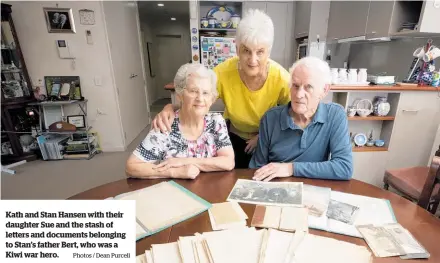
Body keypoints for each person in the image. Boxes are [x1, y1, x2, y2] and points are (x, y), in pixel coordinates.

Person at [151, 9, 291, 168]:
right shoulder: (222, 73)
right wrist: (170, 107)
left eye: (260, 52)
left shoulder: (281, 78)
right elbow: (198, 101)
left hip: (268, 137)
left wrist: (262, 136)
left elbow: (292, 113)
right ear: (237, 48)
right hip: (236, 135)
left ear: (269, 51)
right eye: (246, 50)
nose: (253, 60)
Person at [249, 56, 353, 181]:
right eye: (295, 86)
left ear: (324, 90)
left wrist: (291, 168)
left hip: (314, 191)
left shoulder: (335, 115)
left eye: (308, 87)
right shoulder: (270, 118)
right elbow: (256, 168)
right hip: (276, 190)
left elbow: (344, 167)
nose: (298, 95)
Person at [126, 63, 234, 179]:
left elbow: (228, 162)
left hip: (211, 190)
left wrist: (185, 161)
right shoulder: (167, 124)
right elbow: (132, 166)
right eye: (193, 91)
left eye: (206, 93)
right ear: (180, 95)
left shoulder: (216, 122)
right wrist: (175, 172)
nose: (200, 99)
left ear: (212, 99)